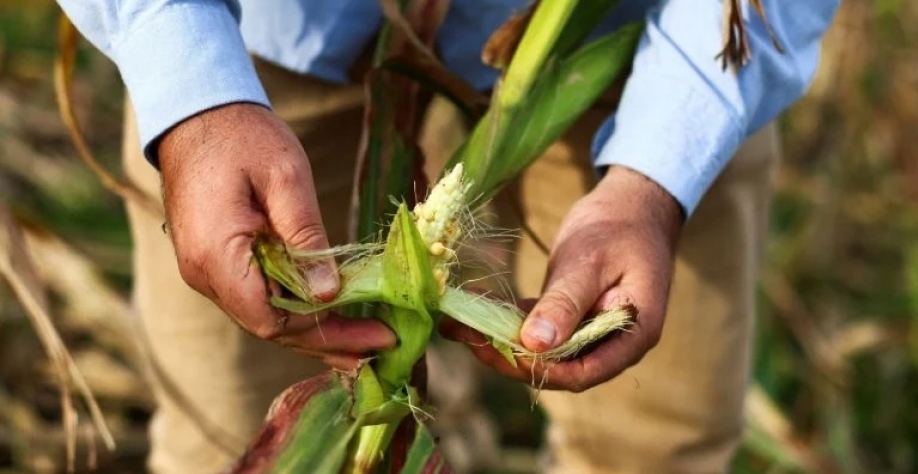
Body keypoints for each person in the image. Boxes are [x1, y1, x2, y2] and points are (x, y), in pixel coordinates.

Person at [57, 1, 840, 473]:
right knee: (224, 430)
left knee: (658, 440)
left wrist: (658, 174)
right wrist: (195, 92)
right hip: (263, 44)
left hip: (651, 51)